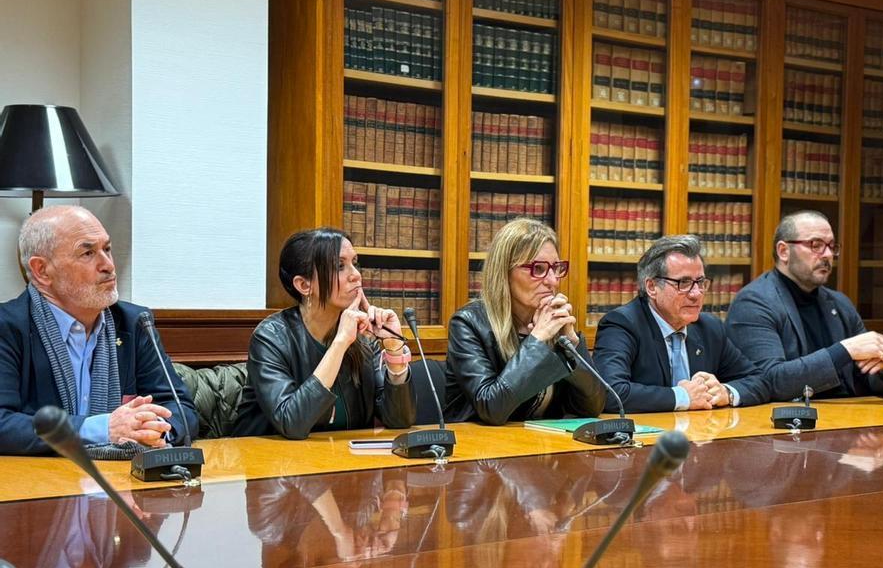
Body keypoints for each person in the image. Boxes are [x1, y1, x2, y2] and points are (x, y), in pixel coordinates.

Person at [0, 205, 198, 456]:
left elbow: (181, 408)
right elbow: (3, 424)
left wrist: (152, 428)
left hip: (119, 475)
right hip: (35, 478)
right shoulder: (8, 327)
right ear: (42, 270)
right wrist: (104, 429)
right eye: (88, 253)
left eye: (107, 249)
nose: (108, 265)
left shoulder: (134, 323)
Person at [233, 227, 415, 438]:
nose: (356, 275)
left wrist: (394, 349)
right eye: (340, 266)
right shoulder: (271, 337)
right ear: (304, 285)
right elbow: (291, 423)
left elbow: (400, 420)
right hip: (267, 456)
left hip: (340, 456)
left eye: (354, 263)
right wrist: (340, 343)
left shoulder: (363, 338)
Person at [443, 218, 605, 424]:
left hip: (541, 440)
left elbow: (594, 406)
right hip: (480, 442)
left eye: (556, 268)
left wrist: (572, 344)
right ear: (505, 272)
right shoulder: (469, 323)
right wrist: (537, 340)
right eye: (538, 269)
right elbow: (492, 408)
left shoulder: (553, 322)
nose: (553, 281)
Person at [726, 211, 883, 401]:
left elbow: (867, 379)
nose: (828, 255)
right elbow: (769, 381)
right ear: (783, 251)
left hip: (848, 413)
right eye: (816, 245)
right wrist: (844, 350)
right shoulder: (754, 303)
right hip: (789, 417)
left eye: (831, 246)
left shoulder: (840, 303)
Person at [592, 234, 769, 413]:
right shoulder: (622, 324)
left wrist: (726, 392)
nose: (696, 293)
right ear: (652, 287)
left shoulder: (709, 328)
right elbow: (609, 393)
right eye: (683, 283)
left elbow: (760, 380)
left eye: (700, 282)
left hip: (702, 429)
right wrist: (683, 397)